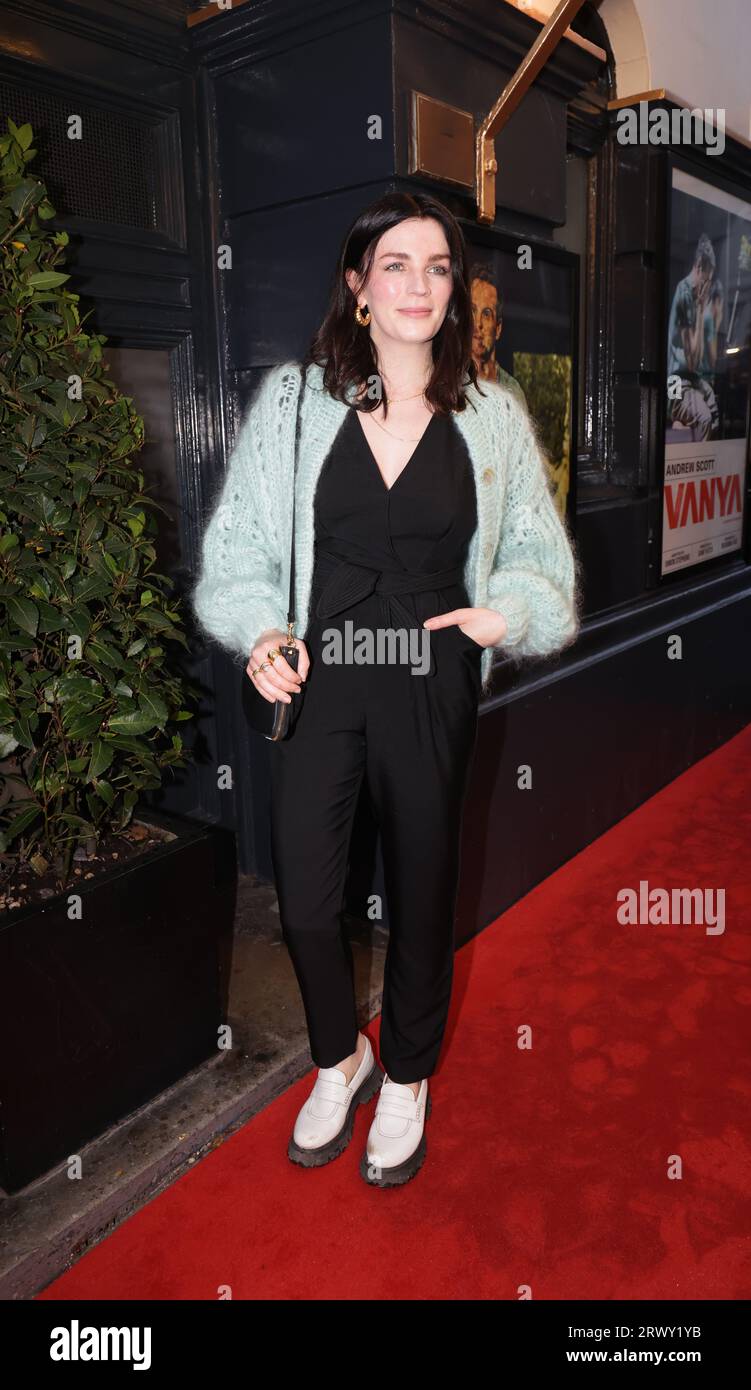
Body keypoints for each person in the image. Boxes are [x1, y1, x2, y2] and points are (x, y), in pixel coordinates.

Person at [191, 191, 580, 1188]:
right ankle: (339, 1056)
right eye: (395, 265)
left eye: (438, 266)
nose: (419, 284)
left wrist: (507, 612)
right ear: (357, 287)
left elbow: (544, 564)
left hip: (429, 677)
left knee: (421, 889)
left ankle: (404, 1073)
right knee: (310, 906)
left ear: (454, 291)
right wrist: (261, 631)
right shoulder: (293, 403)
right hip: (323, 677)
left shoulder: (490, 417)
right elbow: (236, 557)